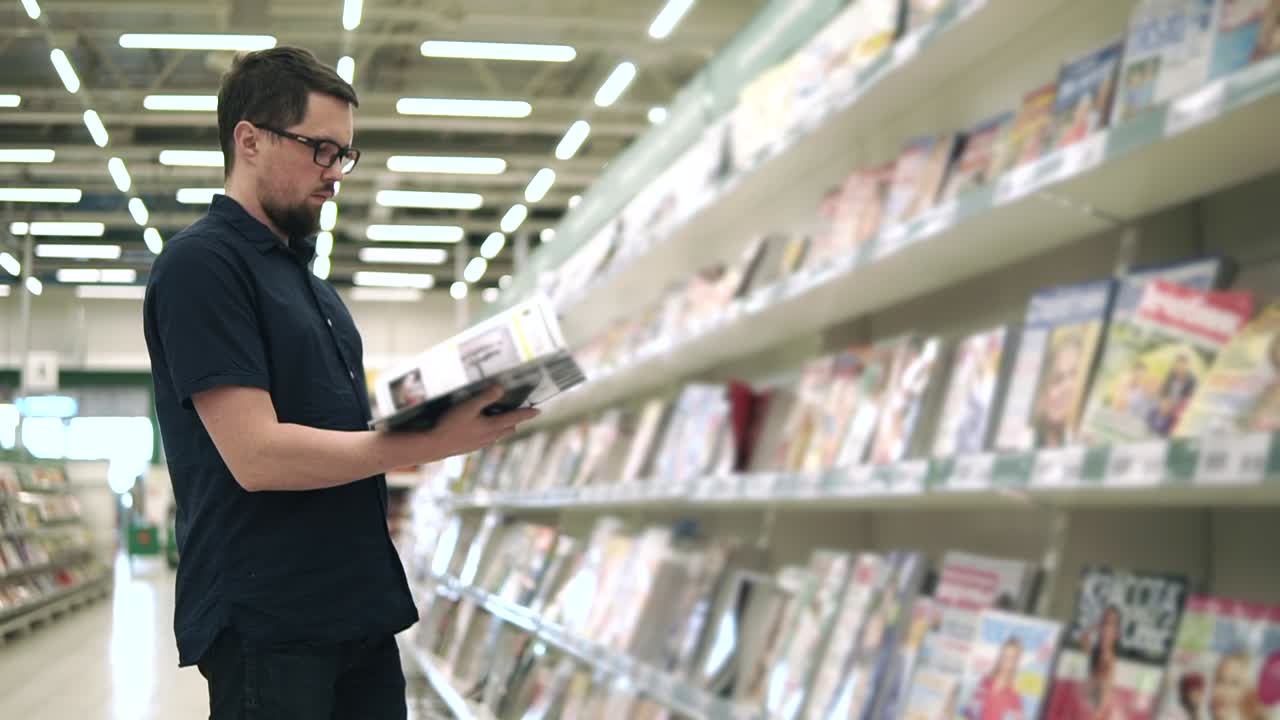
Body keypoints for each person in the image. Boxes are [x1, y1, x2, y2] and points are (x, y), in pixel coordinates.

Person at [142, 47, 537, 719]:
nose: (336, 175)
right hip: (271, 622)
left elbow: (336, 432)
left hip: (355, 608)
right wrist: (426, 442)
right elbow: (257, 455)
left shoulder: (307, 282)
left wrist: (433, 405)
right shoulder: (201, 267)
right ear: (250, 141)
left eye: (345, 155)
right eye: (320, 150)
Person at [971, 637, 1025, 720]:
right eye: (1004, 656)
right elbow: (970, 711)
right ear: (1000, 656)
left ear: (1016, 662)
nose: (1005, 661)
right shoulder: (985, 682)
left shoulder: (1014, 694)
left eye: (1011, 658)